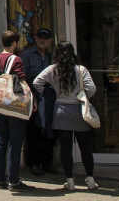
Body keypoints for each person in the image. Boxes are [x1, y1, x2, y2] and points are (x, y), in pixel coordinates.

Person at [33, 41, 98, 191]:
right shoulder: (81, 70)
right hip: (80, 111)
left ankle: (70, 180)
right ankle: (90, 179)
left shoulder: (53, 69)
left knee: (65, 149)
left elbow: (37, 82)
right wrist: (83, 96)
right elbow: (92, 88)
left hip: (61, 111)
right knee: (85, 148)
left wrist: (49, 93)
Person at [0, 30, 31, 191]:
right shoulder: (16, 60)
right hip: (13, 105)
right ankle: (13, 179)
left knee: (0, 142)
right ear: (14, 43)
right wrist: (30, 100)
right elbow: (21, 80)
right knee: (15, 143)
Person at [20, 27, 56, 175]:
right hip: (33, 98)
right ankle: (34, 163)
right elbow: (23, 78)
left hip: (48, 98)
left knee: (48, 130)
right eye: (40, 37)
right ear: (35, 38)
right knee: (33, 131)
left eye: (46, 38)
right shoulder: (27, 55)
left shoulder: (51, 56)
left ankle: (46, 163)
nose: (42, 40)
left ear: (50, 41)